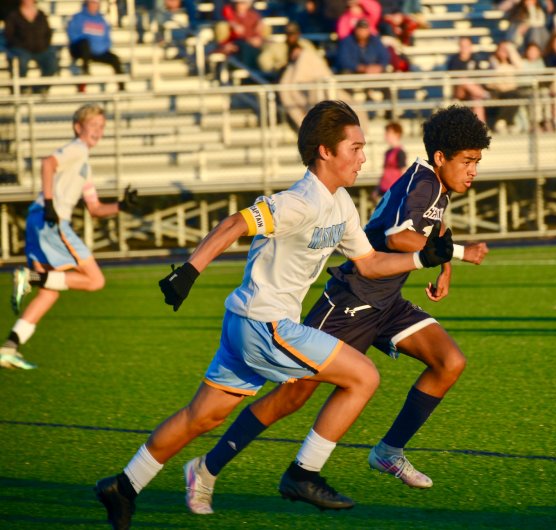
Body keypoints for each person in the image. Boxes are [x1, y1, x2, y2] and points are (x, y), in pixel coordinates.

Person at [93, 100, 455, 527]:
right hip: (264, 323)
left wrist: (422, 258)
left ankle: (123, 486)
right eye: (355, 148)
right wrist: (189, 271)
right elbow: (235, 223)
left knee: (202, 416)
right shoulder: (297, 201)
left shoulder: (341, 204)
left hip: (246, 323)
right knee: (363, 376)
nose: (363, 157)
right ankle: (303, 474)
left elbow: (370, 263)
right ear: (325, 151)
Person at [177, 105, 491, 516]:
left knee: (449, 361)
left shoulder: (437, 186)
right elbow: (399, 237)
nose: (473, 171)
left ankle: (388, 451)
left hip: (387, 302)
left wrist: (444, 265)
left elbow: (435, 227)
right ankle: (207, 468)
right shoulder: (422, 182)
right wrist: (459, 254)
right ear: (440, 157)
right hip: (351, 301)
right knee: (292, 396)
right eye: (467, 161)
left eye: (476, 162)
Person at [1, 104, 138, 371]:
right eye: (93, 125)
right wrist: (50, 203)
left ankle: (9, 347)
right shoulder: (77, 148)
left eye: (102, 126)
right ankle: (30, 277)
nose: (98, 130)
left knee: (49, 293)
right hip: (52, 219)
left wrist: (121, 206)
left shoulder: (84, 163)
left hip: (39, 219)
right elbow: (47, 163)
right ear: (78, 127)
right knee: (95, 280)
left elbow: (95, 208)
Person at [67, 0, 125, 92]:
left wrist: (99, 49)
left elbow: (107, 39)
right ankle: (84, 74)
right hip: (81, 50)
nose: (94, 5)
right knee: (84, 44)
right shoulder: (78, 17)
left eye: (96, 3)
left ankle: (122, 87)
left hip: (98, 52)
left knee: (115, 59)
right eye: (92, 2)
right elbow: (72, 35)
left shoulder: (101, 20)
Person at [4, 0, 59, 94]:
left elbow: (48, 32)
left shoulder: (41, 14)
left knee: (52, 63)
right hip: (21, 49)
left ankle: (41, 88)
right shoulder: (14, 15)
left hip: (41, 49)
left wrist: (44, 44)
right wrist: (20, 45)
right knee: (21, 61)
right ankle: (22, 88)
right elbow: (9, 35)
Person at [214, 0, 269, 71]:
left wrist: (257, 39)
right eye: (237, 3)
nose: (239, 5)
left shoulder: (253, 16)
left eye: (243, 3)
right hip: (238, 46)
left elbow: (257, 34)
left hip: (252, 45)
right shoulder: (229, 14)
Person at [446, 37, 490, 123]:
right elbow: (455, 78)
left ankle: (481, 126)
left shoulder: (475, 59)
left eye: (466, 46)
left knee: (477, 101)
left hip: (472, 92)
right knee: (463, 80)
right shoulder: (454, 60)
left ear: (470, 47)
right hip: (459, 92)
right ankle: (484, 94)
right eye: (462, 46)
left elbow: (479, 77)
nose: (464, 48)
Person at [373, 121, 407, 201]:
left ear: (397, 134)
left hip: (394, 191)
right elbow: (385, 173)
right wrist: (377, 189)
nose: (386, 136)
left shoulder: (400, 152)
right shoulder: (387, 152)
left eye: (388, 133)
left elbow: (403, 172)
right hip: (384, 189)